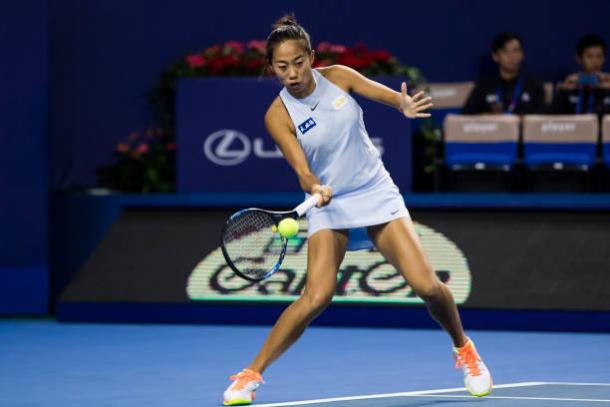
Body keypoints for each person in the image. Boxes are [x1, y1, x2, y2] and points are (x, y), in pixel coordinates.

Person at [223, 15, 493, 405]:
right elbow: (300, 168)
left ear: (311, 57)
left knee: (427, 286)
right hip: (328, 202)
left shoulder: (339, 76)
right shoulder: (277, 115)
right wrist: (314, 185)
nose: (292, 73)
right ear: (271, 68)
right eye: (282, 67)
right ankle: (250, 375)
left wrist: (403, 103)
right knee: (316, 297)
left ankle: (465, 349)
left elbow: (384, 95)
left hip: (374, 191)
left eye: (298, 62)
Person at [463, 32, 546, 114]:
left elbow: (542, 118)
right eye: (506, 52)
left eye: (516, 51)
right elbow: (467, 115)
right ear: (495, 56)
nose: (512, 56)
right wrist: (487, 117)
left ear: (522, 54)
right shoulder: (484, 85)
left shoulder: (534, 84)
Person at [553, 34, 610, 115]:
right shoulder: (570, 87)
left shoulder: (608, 86)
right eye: (589, 56)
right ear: (579, 59)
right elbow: (552, 118)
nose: (595, 61)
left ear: (604, 59)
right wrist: (561, 91)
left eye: (599, 56)